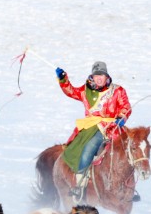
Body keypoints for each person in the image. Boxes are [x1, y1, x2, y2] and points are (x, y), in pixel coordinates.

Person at [56, 61, 132, 202]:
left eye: (102, 75)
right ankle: (79, 184)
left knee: (131, 151)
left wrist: (122, 117)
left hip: (113, 128)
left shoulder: (117, 91)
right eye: (97, 75)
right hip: (93, 129)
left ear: (106, 76)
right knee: (89, 148)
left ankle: (130, 185)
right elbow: (71, 92)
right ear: (92, 76)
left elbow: (126, 106)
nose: (99, 78)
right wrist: (63, 80)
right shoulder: (86, 91)